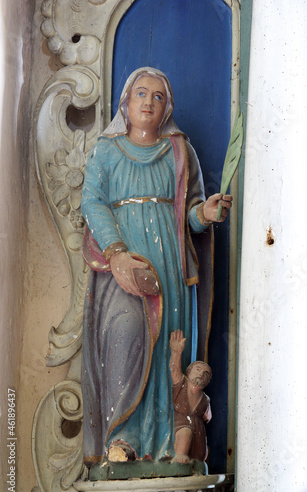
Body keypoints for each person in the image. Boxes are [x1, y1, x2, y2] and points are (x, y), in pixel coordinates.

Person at [81, 67, 232, 466]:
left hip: (170, 269)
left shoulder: (180, 151)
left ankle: (169, 443)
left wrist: (207, 212)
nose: (149, 102)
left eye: (158, 96)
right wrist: (116, 253)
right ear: (125, 105)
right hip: (125, 266)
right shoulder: (107, 150)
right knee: (124, 335)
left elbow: (190, 217)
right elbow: (92, 201)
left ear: (167, 108)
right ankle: (121, 436)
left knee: (171, 350)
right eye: (141, 94)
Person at [170, 329, 212, 464]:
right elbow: (175, 370)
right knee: (185, 433)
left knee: (200, 451)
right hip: (181, 425)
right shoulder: (182, 385)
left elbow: (207, 417)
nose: (201, 374)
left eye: (206, 374)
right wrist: (176, 352)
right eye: (198, 369)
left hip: (198, 434)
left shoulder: (205, 399)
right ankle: (180, 455)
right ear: (188, 372)